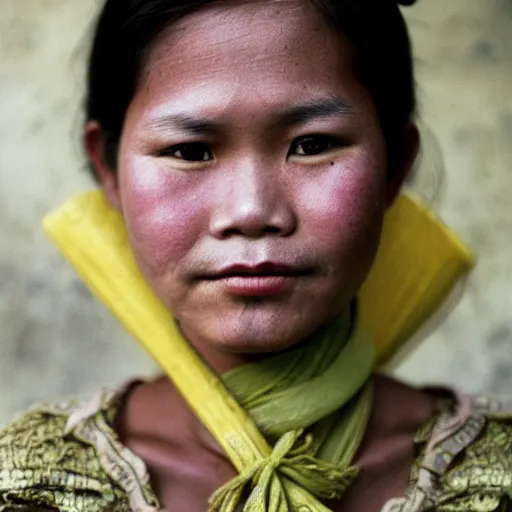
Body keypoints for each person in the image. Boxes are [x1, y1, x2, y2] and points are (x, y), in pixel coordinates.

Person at [0, 0, 511, 511]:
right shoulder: (30, 487)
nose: (251, 211)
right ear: (109, 170)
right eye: (190, 151)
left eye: (312, 144)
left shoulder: (495, 476)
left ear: (394, 165)